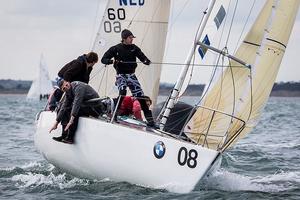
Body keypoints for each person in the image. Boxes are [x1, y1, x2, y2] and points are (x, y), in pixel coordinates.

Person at [101, 29, 155, 127]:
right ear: (124, 38)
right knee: (122, 92)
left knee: (141, 96)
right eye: (130, 38)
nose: (132, 40)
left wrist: (147, 61)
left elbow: (142, 57)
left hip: (131, 75)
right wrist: (112, 62)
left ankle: (151, 122)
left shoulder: (134, 48)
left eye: (132, 38)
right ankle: (115, 115)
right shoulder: (115, 48)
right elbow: (103, 59)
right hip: (121, 75)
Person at [49, 80, 103, 144]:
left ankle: (70, 138)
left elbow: (77, 103)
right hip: (86, 106)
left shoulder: (78, 87)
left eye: (66, 85)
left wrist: (71, 121)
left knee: (74, 111)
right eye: (64, 88)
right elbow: (63, 107)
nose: (66, 87)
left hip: (95, 108)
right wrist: (56, 124)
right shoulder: (68, 91)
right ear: (62, 90)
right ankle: (64, 135)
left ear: (68, 82)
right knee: (64, 109)